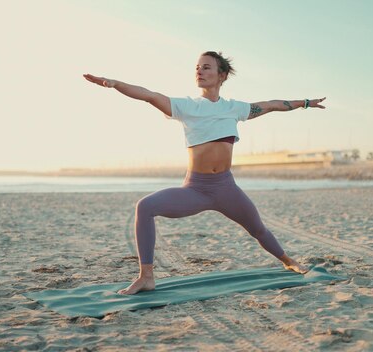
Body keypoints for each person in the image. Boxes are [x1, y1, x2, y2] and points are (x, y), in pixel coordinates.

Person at [83, 51, 326, 295]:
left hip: (226, 188)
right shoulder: (187, 106)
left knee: (258, 229)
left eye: (206, 67)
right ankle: (146, 276)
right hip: (196, 189)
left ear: (221, 75)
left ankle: (288, 261)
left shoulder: (235, 109)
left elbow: (273, 105)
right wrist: (115, 84)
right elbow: (148, 95)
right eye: (197, 67)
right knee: (145, 207)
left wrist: (305, 103)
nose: (199, 71)